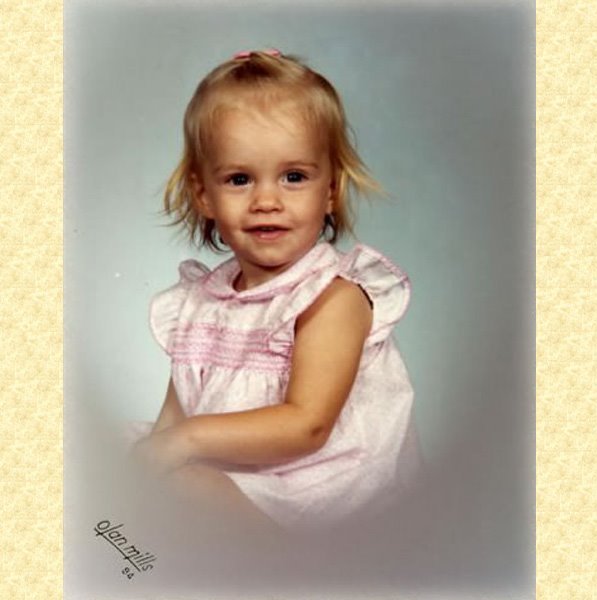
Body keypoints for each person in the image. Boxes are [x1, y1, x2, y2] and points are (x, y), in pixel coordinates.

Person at [128, 48, 422, 533]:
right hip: (230, 472)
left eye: (294, 177)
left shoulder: (333, 298)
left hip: (315, 487)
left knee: (186, 488)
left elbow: (308, 424)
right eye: (240, 179)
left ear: (331, 191)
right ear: (204, 195)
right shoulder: (199, 304)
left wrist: (186, 443)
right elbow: (173, 421)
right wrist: (153, 458)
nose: (266, 200)